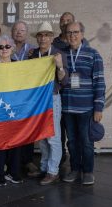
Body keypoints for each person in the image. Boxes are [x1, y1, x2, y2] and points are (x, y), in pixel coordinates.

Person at [61, 22, 105, 185]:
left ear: (82, 34)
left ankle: (88, 171)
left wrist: (98, 107)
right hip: (67, 107)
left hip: (86, 108)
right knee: (71, 141)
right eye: (69, 32)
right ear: (65, 35)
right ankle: (74, 169)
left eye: (76, 32)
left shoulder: (93, 54)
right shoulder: (61, 54)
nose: (72, 35)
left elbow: (100, 81)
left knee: (86, 141)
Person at [29, 21, 68, 185]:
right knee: (42, 136)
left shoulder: (59, 54)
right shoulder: (33, 55)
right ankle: (44, 168)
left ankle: (53, 171)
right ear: (37, 38)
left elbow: (64, 81)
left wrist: (59, 67)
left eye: (47, 35)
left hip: (52, 98)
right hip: (38, 100)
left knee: (53, 136)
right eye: (40, 35)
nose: (43, 38)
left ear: (52, 38)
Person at [52, 12, 90, 165]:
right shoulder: (54, 44)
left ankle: (85, 168)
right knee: (64, 134)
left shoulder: (86, 46)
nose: (64, 23)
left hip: (82, 101)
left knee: (83, 138)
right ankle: (63, 161)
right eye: (62, 21)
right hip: (62, 97)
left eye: (68, 21)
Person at [0, 34, 23, 186]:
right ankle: (0, 174)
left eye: (7, 46)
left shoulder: (19, 65)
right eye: (0, 47)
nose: (4, 49)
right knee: (0, 143)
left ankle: (14, 172)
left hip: (15, 109)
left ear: (12, 48)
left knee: (16, 142)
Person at [11, 20, 38, 176]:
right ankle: (12, 161)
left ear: (26, 33)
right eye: (16, 30)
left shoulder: (33, 52)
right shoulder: (6, 48)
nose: (19, 32)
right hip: (11, 95)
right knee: (11, 127)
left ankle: (27, 161)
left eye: (22, 30)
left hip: (27, 97)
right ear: (12, 33)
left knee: (27, 127)